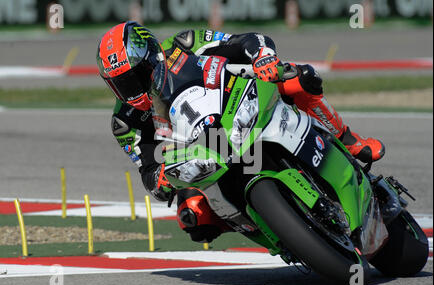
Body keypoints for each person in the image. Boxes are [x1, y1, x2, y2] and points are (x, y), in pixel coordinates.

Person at [97, 21, 385, 243]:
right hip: (198, 157)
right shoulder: (125, 122)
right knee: (193, 218)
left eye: (134, 76)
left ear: (151, 57)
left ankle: (349, 141)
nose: (131, 89)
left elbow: (246, 41)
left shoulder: (183, 44)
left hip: (235, 106)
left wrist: (262, 56)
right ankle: (278, 232)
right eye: (121, 84)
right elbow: (147, 170)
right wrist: (158, 179)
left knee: (300, 77)